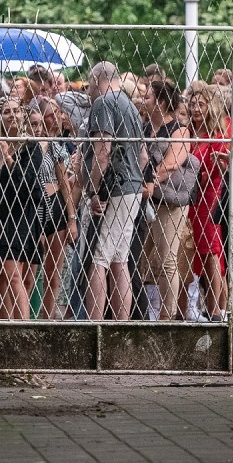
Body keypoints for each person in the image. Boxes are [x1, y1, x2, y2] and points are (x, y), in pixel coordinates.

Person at [78, 62, 145, 321]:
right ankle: (121, 323)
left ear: (97, 79)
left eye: (89, 83)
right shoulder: (130, 106)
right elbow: (143, 156)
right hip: (133, 187)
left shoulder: (103, 103)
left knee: (98, 256)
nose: (88, 89)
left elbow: (102, 151)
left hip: (113, 189)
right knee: (120, 258)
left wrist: (94, 190)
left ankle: (95, 325)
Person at [0, 97, 44, 319]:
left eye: (16, 111)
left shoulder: (30, 148)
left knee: (13, 274)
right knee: (1, 274)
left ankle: (23, 326)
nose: (12, 115)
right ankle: (4, 322)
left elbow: (27, 184)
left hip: (20, 217)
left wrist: (8, 158)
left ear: (23, 115)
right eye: (7, 112)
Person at [139, 79, 192, 321]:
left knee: (166, 259)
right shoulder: (144, 128)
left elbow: (172, 163)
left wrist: (147, 182)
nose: (143, 101)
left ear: (161, 102)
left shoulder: (179, 130)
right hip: (144, 200)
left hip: (169, 203)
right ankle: (144, 310)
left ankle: (166, 316)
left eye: (148, 97)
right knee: (141, 259)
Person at [186, 83, 231, 321]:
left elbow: (219, 167)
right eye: (193, 104)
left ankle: (216, 309)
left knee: (212, 250)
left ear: (210, 107)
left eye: (201, 104)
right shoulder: (189, 134)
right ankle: (201, 304)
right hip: (191, 199)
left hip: (210, 197)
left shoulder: (217, 136)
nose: (196, 108)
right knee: (197, 251)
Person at [28, 102, 75, 319]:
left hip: (55, 206)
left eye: (57, 113)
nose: (37, 128)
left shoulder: (55, 147)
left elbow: (64, 183)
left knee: (53, 273)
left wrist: (72, 218)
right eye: (33, 123)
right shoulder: (25, 146)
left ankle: (47, 318)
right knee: (30, 272)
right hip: (33, 208)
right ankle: (25, 317)